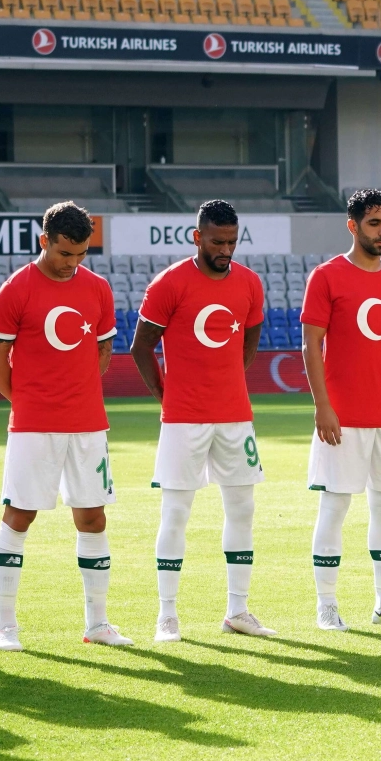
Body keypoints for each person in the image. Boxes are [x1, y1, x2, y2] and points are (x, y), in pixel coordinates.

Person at [0, 201, 127, 651]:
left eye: (82, 254)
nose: (73, 263)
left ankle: (98, 624)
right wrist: (32, 401)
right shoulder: (15, 290)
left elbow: (102, 351)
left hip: (87, 425)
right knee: (20, 516)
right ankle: (6, 626)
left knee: (93, 516)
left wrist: (76, 393)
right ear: (45, 241)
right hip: (33, 426)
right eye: (66, 253)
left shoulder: (98, 289)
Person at [132, 199, 273, 641]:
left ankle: (238, 611)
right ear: (197, 237)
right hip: (183, 419)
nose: (225, 250)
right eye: (217, 241)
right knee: (176, 513)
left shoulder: (250, 283)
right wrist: (167, 395)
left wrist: (225, 383)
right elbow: (141, 348)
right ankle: (167, 615)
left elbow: (248, 345)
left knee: (243, 511)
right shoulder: (169, 284)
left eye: (232, 242)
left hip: (235, 417)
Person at [301, 188, 381, 631]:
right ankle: (327, 604)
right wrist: (323, 407)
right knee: (334, 509)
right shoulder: (327, 276)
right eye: (375, 223)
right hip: (343, 419)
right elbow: (311, 345)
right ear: (352, 225)